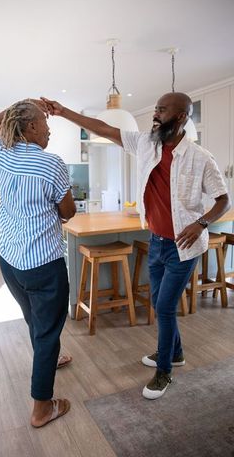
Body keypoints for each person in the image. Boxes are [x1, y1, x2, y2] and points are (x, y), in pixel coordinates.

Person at [41, 92, 230, 400]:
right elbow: (103, 128)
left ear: (181, 117)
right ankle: (176, 352)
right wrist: (64, 112)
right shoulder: (147, 144)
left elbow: (224, 200)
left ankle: (164, 370)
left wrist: (201, 224)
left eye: (162, 110)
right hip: (155, 240)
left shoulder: (200, 158)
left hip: (184, 246)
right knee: (158, 302)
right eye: (155, 108)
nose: (155, 114)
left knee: (165, 307)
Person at [0, 99, 76, 427]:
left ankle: (49, 357)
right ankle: (42, 407)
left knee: (35, 320)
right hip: (43, 264)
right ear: (30, 128)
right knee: (48, 331)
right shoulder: (51, 163)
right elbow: (67, 212)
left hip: (9, 260)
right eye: (43, 121)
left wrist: (21, 104)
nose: (49, 128)